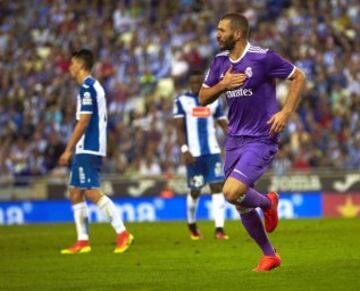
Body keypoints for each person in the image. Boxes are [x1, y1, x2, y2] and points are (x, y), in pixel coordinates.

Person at [199, 14, 305, 271]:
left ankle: (268, 203)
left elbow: (299, 77)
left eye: (221, 30)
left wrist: (285, 112)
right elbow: (202, 97)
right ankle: (270, 255)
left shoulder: (263, 57)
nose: (217, 34)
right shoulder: (219, 63)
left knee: (231, 191)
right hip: (234, 139)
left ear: (237, 34)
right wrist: (222, 85)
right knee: (238, 202)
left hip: (261, 137)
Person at [59, 49, 134, 254]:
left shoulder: (87, 89)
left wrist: (68, 150)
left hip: (88, 147)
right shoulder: (93, 87)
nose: (70, 67)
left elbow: (83, 121)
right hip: (88, 147)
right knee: (75, 192)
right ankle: (82, 241)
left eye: (73, 63)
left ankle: (123, 233)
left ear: (82, 65)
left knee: (91, 191)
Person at [174, 71, 229, 240]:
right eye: (194, 82)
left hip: (212, 152)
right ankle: (192, 225)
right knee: (195, 191)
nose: (197, 84)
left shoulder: (214, 100)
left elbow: (223, 123)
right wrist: (184, 149)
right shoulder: (182, 101)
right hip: (194, 155)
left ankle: (219, 229)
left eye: (200, 81)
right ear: (190, 83)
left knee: (217, 186)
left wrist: (237, 140)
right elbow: (179, 128)